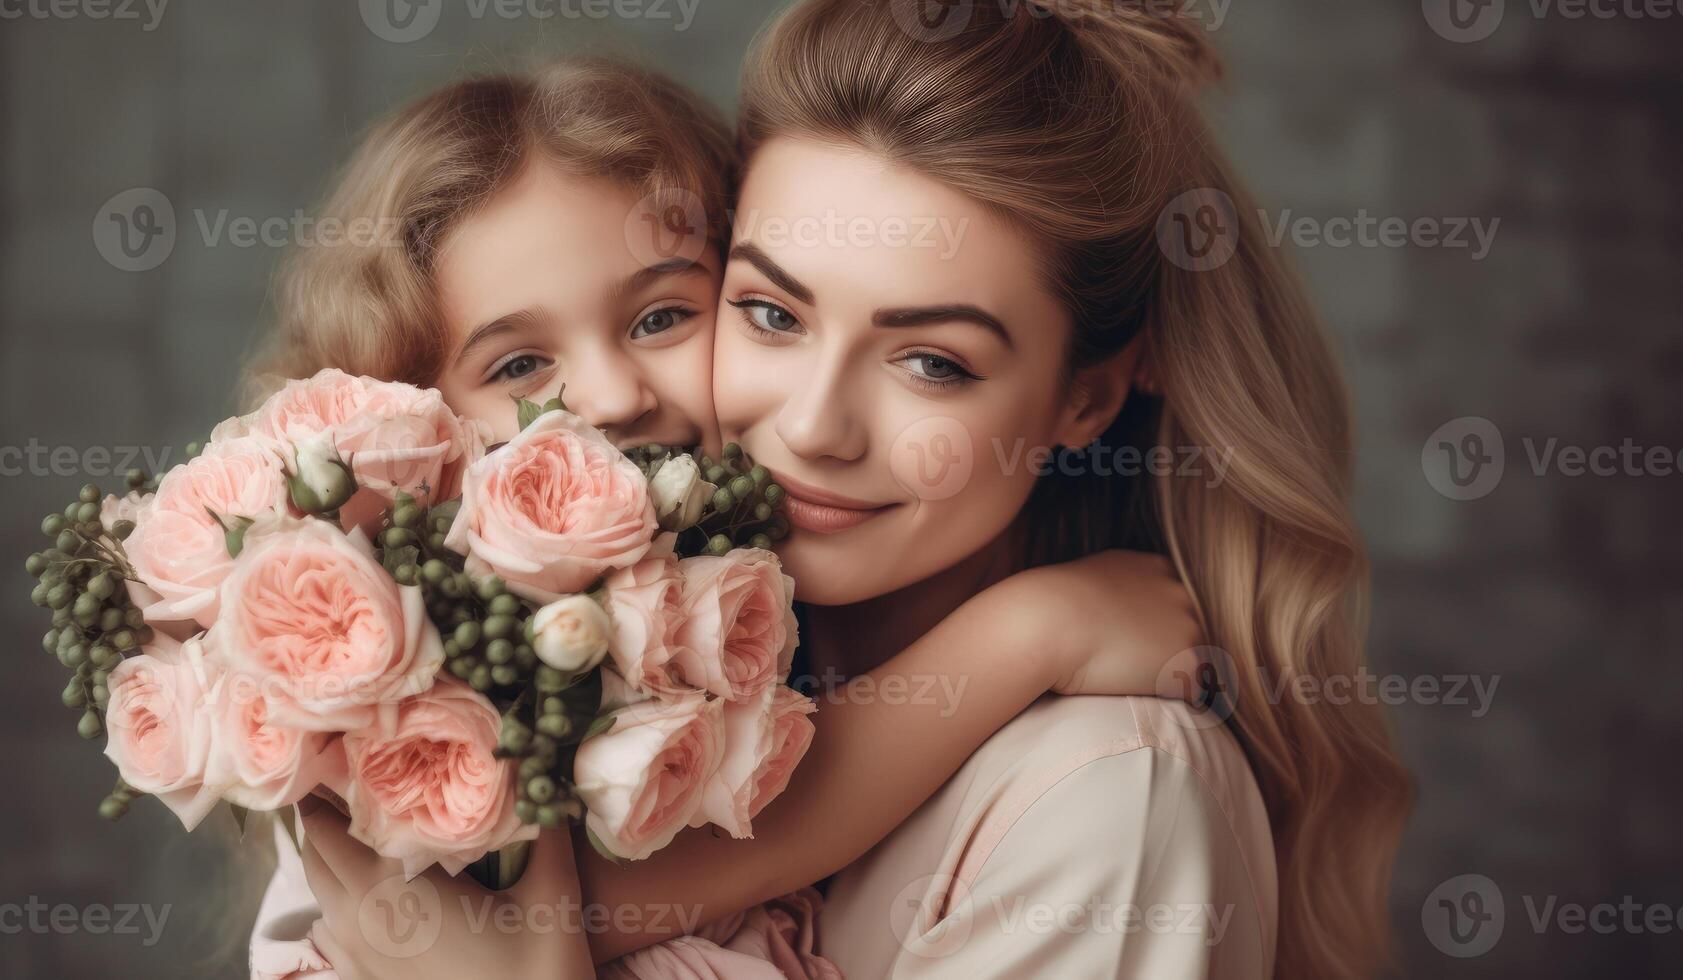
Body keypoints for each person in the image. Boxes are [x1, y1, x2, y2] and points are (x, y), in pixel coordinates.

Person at [245, 53, 1207, 980]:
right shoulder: (420, 645)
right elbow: (532, 904)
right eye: (778, 315)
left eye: (662, 317)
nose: (614, 394)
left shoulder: (1106, 794)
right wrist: (1032, 632)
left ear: (1086, 398)